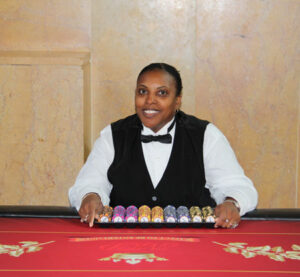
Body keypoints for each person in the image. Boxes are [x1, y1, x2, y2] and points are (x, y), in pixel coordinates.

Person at [69, 63, 258, 228]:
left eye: (162, 93)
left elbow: (237, 185)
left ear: (177, 100)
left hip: (193, 246)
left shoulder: (206, 135)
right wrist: (90, 196)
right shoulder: (113, 135)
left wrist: (232, 203)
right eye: (142, 91)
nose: (150, 101)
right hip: (125, 243)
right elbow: (89, 182)